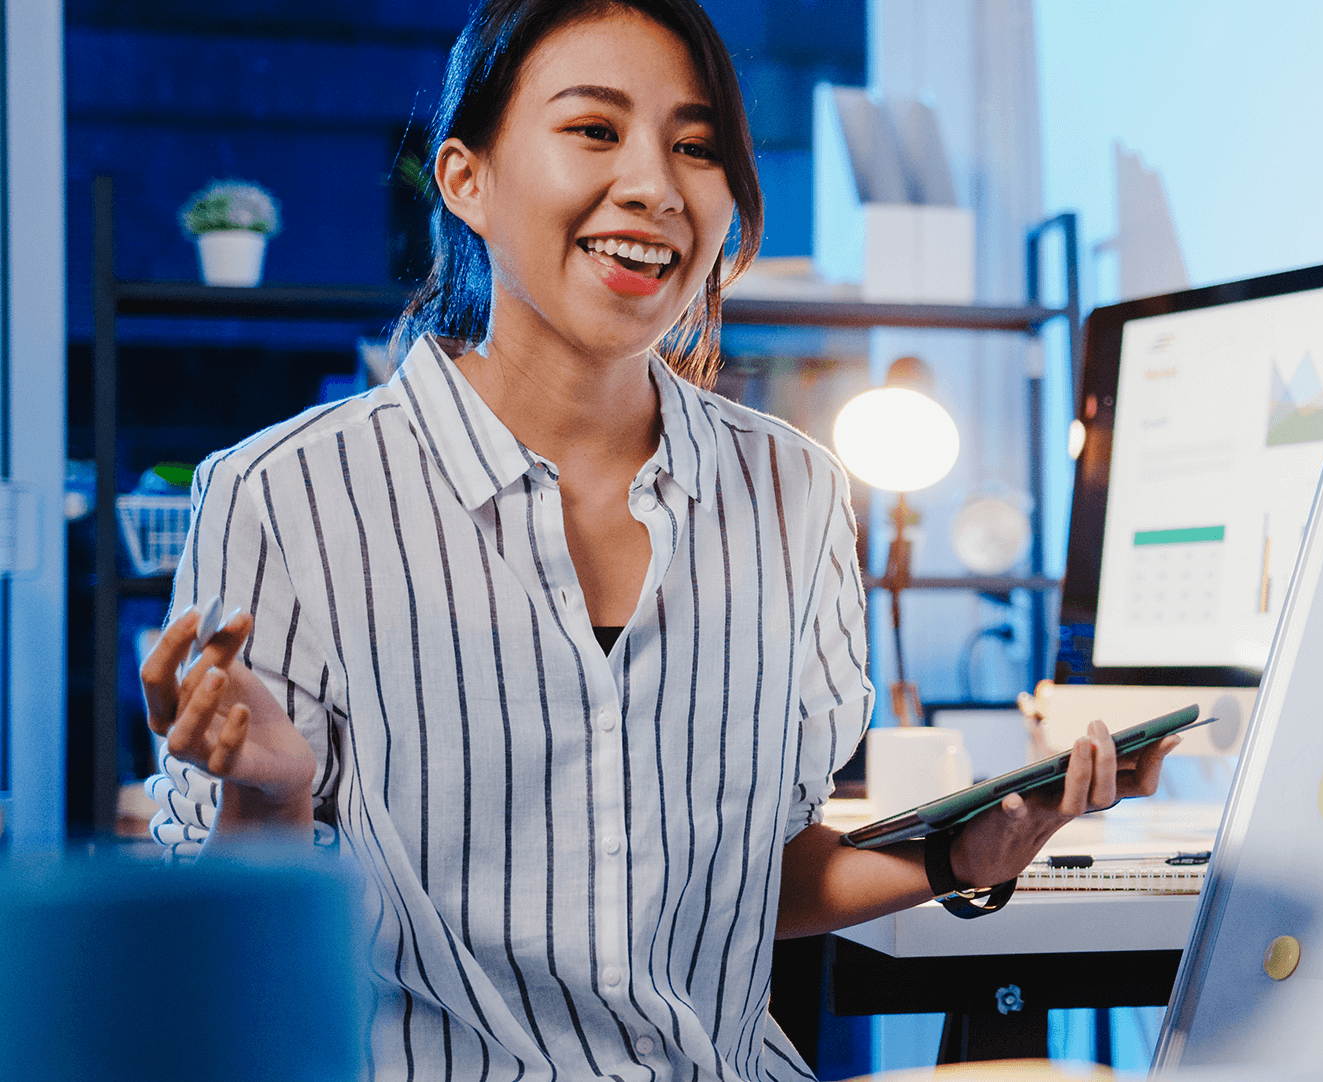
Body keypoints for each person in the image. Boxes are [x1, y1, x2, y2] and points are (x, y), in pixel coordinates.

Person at [140, 2, 1181, 1080]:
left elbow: (748, 882)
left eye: (695, 146)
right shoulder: (287, 495)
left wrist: (965, 851)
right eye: (595, 131)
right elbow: (229, 948)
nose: (655, 185)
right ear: (467, 180)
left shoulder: (794, 489)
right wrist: (270, 796)